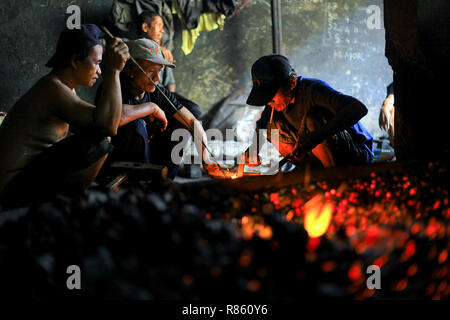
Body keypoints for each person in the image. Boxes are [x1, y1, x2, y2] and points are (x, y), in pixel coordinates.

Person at [0, 24, 129, 208]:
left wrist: (152, 107)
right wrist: (113, 71)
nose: (100, 71)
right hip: (10, 193)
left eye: (102, 65)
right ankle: (70, 205)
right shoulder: (53, 88)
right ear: (75, 61)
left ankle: (70, 202)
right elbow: (107, 124)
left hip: (21, 184)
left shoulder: (62, 88)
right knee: (99, 139)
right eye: (98, 63)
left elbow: (111, 118)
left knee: (98, 135)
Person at [98, 38, 216, 179]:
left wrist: (206, 158)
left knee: (182, 128)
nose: (157, 78)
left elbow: (192, 121)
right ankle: (143, 182)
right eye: (151, 71)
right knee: (137, 125)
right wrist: (151, 107)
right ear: (131, 71)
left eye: (159, 71)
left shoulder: (157, 91)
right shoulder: (114, 87)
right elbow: (114, 117)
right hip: (118, 162)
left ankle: (166, 181)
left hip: (150, 154)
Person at [243, 54, 373, 169]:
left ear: (292, 83)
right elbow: (262, 126)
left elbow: (359, 108)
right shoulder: (274, 104)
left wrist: (316, 136)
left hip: (354, 157)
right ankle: (313, 174)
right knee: (271, 126)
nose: (269, 102)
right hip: (315, 163)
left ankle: (333, 178)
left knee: (314, 120)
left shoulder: (314, 91)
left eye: (271, 95)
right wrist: (254, 148)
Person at [137, 10, 202, 119]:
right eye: (159, 26)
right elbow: (122, 43)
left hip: (161, 94)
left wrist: (170, 105)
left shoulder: (163, 52)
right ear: (145, 27)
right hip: (145, 92)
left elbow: (170, 84)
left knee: (194, 111)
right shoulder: (131, 48)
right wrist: (154, 47)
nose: (162, 31)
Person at [379, 82, 395, 147]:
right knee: (391, 109)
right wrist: (385, 108)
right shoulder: (399, 83)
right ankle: (396, 147)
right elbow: (391, 98)